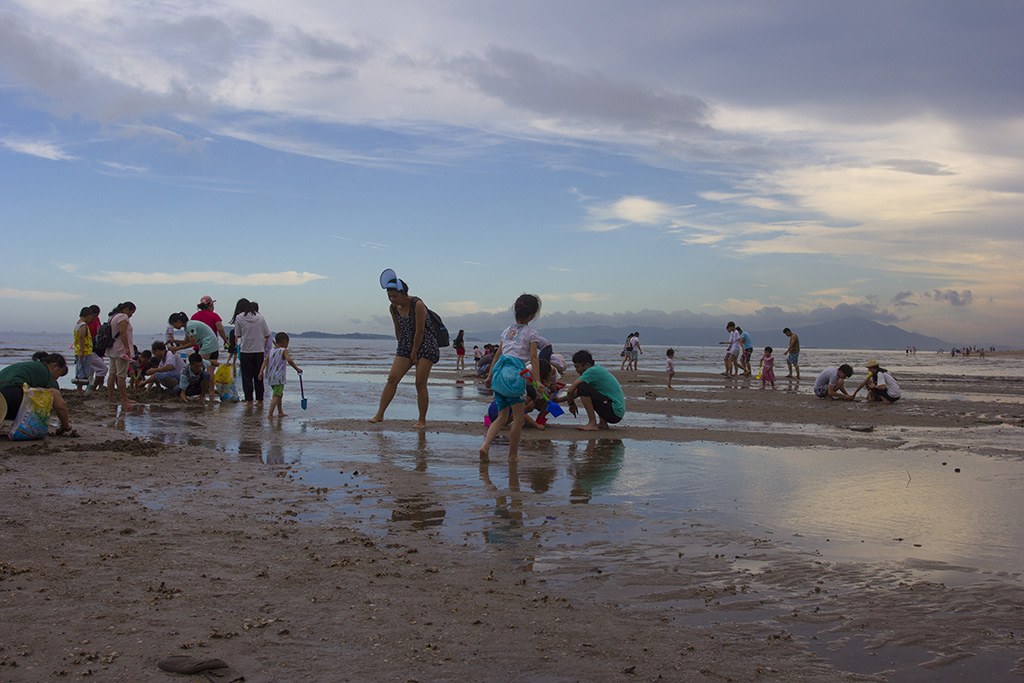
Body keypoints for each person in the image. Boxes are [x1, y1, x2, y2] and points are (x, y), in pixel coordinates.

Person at [368, 270, 440, 429]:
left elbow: (420, 331)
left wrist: (414, 353)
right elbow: (398, 329)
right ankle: (379, 414)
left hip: (425, 343)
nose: (392, 299)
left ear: (403, 293)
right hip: (406, 344)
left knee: (420, 383)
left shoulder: (417, 304)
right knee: (392, 378)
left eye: (395, 296)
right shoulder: (393, 308)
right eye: (389, 296)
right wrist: (402, 348)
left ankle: (422, 420)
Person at [479, 294, 543, 462]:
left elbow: (497, 355)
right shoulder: (532, 333)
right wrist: (538, 381)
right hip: (515, 378)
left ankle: (485, 446)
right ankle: (512, 455)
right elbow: (534, 358)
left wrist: (489, 376)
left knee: (501, 417)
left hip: (500, 376)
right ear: (532, 315)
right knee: (518, 419)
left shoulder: (507, 331)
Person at [0, 353, 73, 433]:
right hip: (13, 396)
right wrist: (65, 425)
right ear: (54, 366)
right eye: (59, 374)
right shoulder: (47, 374)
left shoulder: (28, 366)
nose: (57, 378)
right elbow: (60, 406)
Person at [558, 349, 625, 431]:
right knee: (586, 388)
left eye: (577, 367)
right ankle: (603, 423)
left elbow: (571, 390)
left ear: (587, 364)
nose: (576, 370)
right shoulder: (596, 370)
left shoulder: (591, 371)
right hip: (616, 412)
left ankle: (592, 423)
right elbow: (577, 393)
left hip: (614, 412)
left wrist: (571, 403)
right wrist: (557, 400)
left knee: (582, 386)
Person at [168, 312, 220, 395]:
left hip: (207, 343)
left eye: (173, 325)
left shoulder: (189, 326)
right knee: (209, 367)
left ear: (178, 321)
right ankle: (211, 391)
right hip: (212, 343)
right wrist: (174, 341)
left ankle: (208, 391)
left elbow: (192, 343)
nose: (174, 327)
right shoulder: (188, 326)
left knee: (200, 367)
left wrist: (177, 348)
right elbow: (186, 341)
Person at [231, 298, 271, 404]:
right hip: (259, 350)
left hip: (246, 350)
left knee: (247, 377)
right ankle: (260, 400)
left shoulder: (239, 318)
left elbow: (238, 334)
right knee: (259, 375)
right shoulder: (260, 317)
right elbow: (267, 334)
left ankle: (249, 401)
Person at [260, 332, 302, 418]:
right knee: (276, 395)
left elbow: (265, 361)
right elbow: (289, 360)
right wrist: (297, 368)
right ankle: (270, 414)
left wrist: (261, 372)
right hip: (279, 377)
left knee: (279, 394)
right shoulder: (284, 350)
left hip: (271, 377)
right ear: (285, 342)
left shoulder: (271, 351)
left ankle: (280, 412)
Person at [106, 302, 137, 409]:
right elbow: (123, 333)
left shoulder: (112, 317)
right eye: (132, 312)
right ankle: (124, 398)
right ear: (127, 309)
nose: (131, 315)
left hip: (112, 349)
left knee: (112, 374)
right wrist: (127, 348)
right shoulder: (122, 317)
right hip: (121, 350)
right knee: (121, 375)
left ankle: (111, 397)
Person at [72, 307, 95, 390]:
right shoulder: (83, 325)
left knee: (79, 369)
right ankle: (79, 389)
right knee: (83, 371)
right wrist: (82, 351)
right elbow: (81, 337)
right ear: (88, 316)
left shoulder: (77, 324)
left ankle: (79, 389)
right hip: (84, 351)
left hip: (78, 350)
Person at [86, 304, 107, 391]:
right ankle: (91, 388)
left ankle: (99, 386)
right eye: (94, 316)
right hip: (89, 348)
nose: (95, 318)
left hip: (97, 347)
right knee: (93, 370)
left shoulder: (97, 320)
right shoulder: (85, 323)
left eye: (96, 316)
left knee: (99, 367)